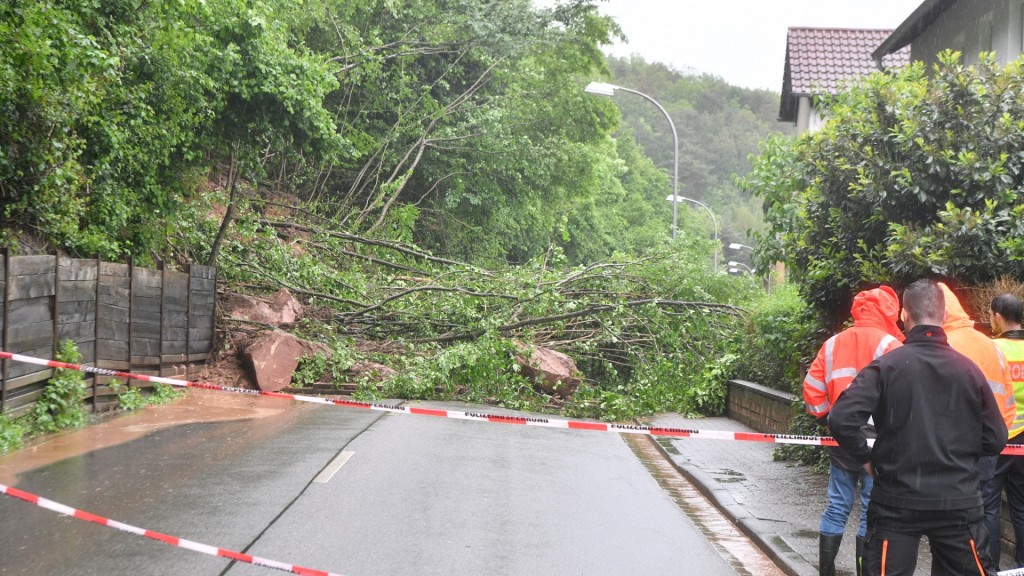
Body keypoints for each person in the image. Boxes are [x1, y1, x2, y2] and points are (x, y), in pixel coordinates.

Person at [830, 278, 1008, 576]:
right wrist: (959, 457)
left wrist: (866, 459)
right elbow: (996, 438)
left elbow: (842, 419)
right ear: (942, 316)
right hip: (958, 502)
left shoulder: (887, 366)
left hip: (896, 502)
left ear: (904, 315)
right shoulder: (969, 370)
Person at [803, 286, 903, 576]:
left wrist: (827, 418)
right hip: (879, 441)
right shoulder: (891, 346)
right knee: (871, 510)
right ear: (890, 311)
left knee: (837, 505)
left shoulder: (833, 343)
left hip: (843, 437)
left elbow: (812, 389)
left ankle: (826, 571)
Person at [937, 282, 1017, 570]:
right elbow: (1007, 403)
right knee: (989, 508)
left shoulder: (941, 346)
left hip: (952, 450)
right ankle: (990, 567)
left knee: (954, 516)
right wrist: (993, 442)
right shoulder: (989, 347)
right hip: (992, 444)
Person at [987, 293, 1024, 569]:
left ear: (997, 316)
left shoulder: (992, 350)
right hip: (1023, 441)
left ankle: (991, 568)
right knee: (1021, 505)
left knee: (989, 505)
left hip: (997, 437)